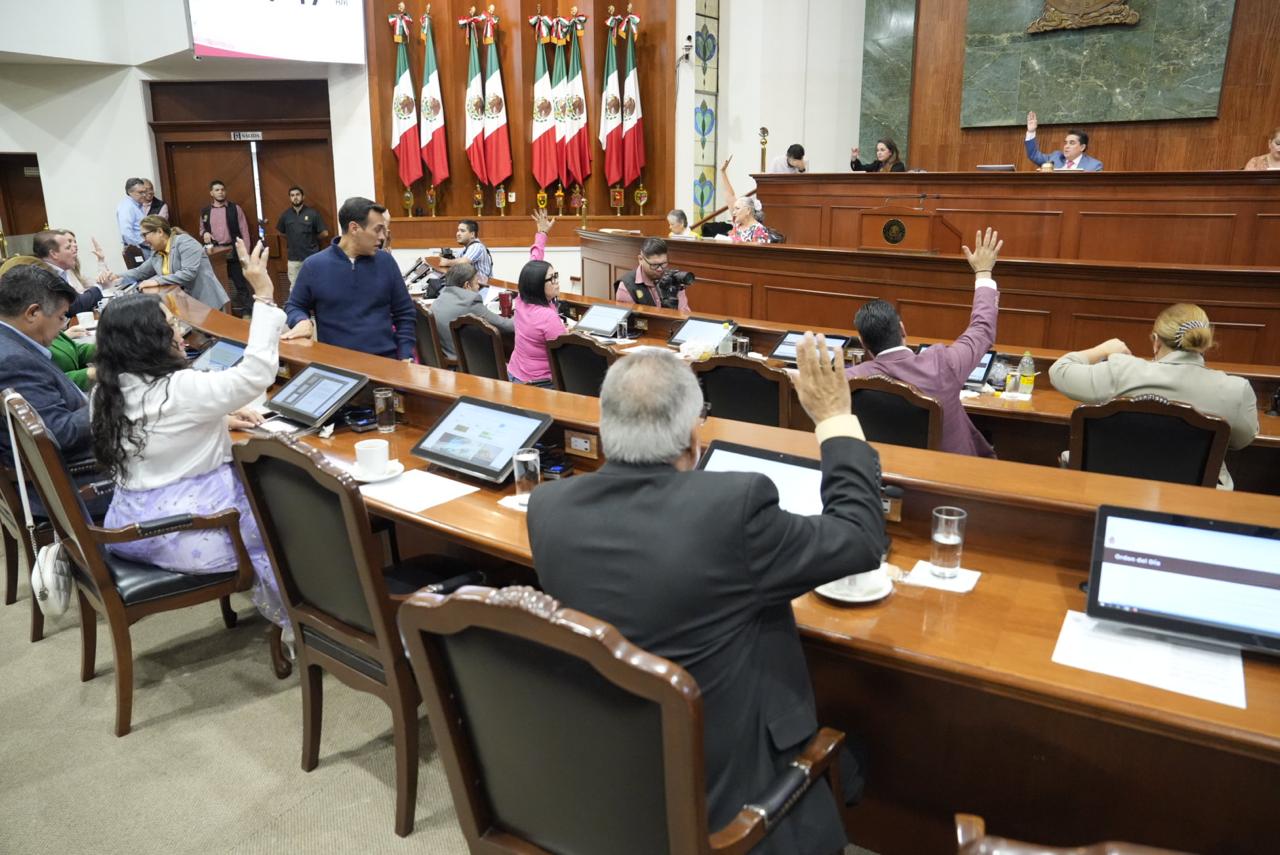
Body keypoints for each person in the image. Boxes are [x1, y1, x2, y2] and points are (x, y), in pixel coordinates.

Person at [528, 336, 884, 855]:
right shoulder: (733, 509)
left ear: (604, 428)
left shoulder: (547, 508)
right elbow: (860, 537)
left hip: (611, 775)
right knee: (859, 751)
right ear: (693, 439)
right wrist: (833, 418)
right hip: (722, 801)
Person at [91, 238, 288, 633]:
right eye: (171, 328)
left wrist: (219, 418)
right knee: (290, 520)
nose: (180, 333)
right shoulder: (181, 389)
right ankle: (309, 624)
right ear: (150, 340)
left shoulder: (105, 391)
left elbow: (163, 429)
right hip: (188, 535)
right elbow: (255, 374)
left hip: (130, 527)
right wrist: (264, 297)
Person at [1048, 304, 1258, 489]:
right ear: (1203, 343)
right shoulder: (1235, 390)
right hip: (1195, 503)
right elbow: (1240, 441)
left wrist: (1103, 349)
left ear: (1156, 341)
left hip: (1110, 491)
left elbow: (1059, 371)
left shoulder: (1121, 371)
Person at [846, 228, 1004, 458]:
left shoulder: (850, 380)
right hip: (951, 473)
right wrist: (983, 272)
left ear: (863, 343)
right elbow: (982, 329)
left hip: (884, 471)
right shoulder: (943, 364)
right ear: (902, 329)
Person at [284, 197, 415, 362]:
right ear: (354, 228)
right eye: (377, 230)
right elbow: (294, 305)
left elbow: (405, 313)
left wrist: (405, 355)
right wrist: (301, 321)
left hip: (385, 362)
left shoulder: (386, 262)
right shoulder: (314, 265)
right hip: (336, 365)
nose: (382, 237)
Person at [0, 265, 94, 478]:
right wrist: (112, 401)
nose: (62, 327)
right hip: (81, 475)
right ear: (33, 313)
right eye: (62, 317)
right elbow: (60, 433)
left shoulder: (13, 343)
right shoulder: (12, 360)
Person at [0, 256, 96, 393]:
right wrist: (94, 373)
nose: (62, 324)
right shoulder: (14, 355)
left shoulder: (38, 325)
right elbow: (47, 382)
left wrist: (110, 349)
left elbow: (74, 350)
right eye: (61, 317)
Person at [98, 216, 230, 310]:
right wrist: (116, 276)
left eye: (145, 235)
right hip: (184, 306)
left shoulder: (184, 242)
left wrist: (157, 281)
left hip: (206, 303)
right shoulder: (157, 253)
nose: (143, 240)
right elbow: (139, 272)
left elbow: (188, 273)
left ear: (160, 232)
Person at [431, 261, 513, 361]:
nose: (478, 287)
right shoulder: (470, 301)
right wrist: (520, 317)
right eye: (477, 283)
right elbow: (505, 325)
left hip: (445, 359)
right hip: (466, 363)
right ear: (467, 285)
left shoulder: (439, 299)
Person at [505, 259, 565, 386]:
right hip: (539, 385)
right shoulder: (548, 317)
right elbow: (564, 354)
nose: (557, 281)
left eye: (556, 276)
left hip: (514, 375)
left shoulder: (520, 302)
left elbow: (534, 261)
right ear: (537, 284)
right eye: (552, 278)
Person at [199, 179, 254, 315]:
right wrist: (205, 233)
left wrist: (246, 253)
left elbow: (244, 231)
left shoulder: (235, 208)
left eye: (222, 190)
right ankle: (221, 313)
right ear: (211, 193)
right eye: (217, 190)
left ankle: (248, 311)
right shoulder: (205, 211)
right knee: (217, 284)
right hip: (215, 253)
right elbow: (202, 230)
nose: (220, 192)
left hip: (233, 250)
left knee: (240, 283)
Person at [32, 229, 105, 316]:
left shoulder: (62, 271)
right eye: (68, 248)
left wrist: (101, 262)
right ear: (54, 254)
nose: (73, 250)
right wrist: (101, 286)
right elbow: (71, 306)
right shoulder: (43, 276)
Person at [614, 237, 691, 311]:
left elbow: (684, 313)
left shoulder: (673, 279)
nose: (660, 269)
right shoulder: (627, 287)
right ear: (640, 259)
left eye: (663, 263)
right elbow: (628, 319)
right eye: (654, 265)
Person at [274, 186, 330, 287]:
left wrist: (312, 239)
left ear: (303, 197)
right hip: (293, 259)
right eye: (292, 195)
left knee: (315, 285)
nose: (295, 197)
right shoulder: (286, 215)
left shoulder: (313, 214)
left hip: (311, 257)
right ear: (290, 198)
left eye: (297, 195)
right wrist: (293, 238)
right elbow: (281, 232)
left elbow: (324, 233)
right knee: (294, 287)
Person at [1024, 111, 1103, 171]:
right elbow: (1033, 154)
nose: (1066, 146)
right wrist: (1031, 131)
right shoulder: (1055, 158)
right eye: (1066, 142)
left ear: (1082, 147)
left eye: (1072, 143)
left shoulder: (1094, 166)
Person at [718, 155, 772, 244]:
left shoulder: (759, 230)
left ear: (748, 210)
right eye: (734, 209)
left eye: (737, 208)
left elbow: (757, 251)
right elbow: (730, 196)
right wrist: (723, 172)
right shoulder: (737, 224)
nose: (733, 212)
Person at [437, 219, 493, 285]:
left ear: (472, 234)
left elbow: (463, 263)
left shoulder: (477, 246)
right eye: (458, 230)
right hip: (472, 286)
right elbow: (457, 263)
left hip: (482, 287)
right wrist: (447, 258)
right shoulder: (465, 248)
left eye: (462, 231)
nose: (458, 234)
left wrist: (447, 262)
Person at [116, 178, 151, 265]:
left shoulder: (137, 205)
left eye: (144, 191)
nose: (144, 195)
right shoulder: (127, 207)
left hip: (144, 247)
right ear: (130, 192)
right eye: (140, 192)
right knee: (143, 273)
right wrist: (138, 249)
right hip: (139, 249)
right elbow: (126, 232)